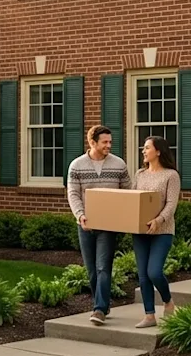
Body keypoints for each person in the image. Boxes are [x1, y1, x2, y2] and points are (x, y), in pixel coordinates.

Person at [67, 125, 132, 326]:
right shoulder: (76, 166)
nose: (109, 145)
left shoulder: (119, 165)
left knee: (104, 266)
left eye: (110, 142)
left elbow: (128, 191)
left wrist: (122, 217)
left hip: (109, 224)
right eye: (104, 142)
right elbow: (73, 194)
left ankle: (99, 309)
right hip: (85, 223)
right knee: (91, 269)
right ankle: (101, 302)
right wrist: (80, 215)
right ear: (92, 142)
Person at [133, 136, 181, 328]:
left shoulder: (171, 175)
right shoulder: (140, 174)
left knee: (154, 272)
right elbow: (133, 199)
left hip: (162, 231)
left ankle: (168, 301)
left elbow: (171, 204)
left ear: (158, 151)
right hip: (140, 231)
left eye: (147, 148)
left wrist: (158, 220)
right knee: (143, 275)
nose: (143, 151)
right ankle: (149, 315)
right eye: (143, 148)